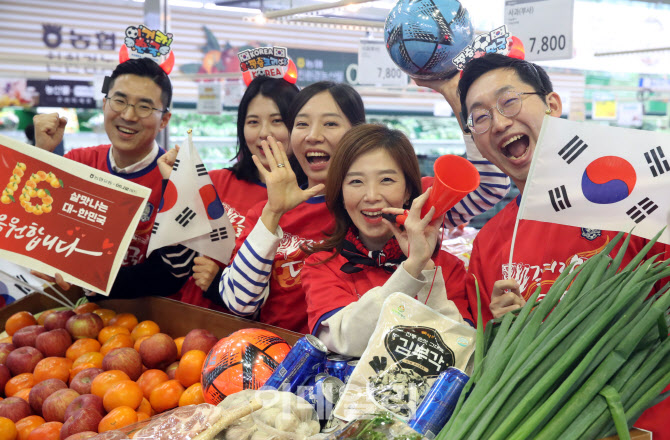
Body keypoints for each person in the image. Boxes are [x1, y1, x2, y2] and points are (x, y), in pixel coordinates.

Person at [454, 53, 668, 438]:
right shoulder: (489, 243)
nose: (499, 122)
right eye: (480, 117)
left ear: (552, 105)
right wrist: (503, 328)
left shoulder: (630, 198)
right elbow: (489, 366)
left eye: (509, 101)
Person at [217, 80, 508, 334]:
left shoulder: (399, 201)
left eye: (330, 123)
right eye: (301, 124)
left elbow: (488, 185)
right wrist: (273, 212)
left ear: (356, 134)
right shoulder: (272, 214)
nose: (312, 135)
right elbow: (238, 303)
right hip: (288, 361)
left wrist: (457, 98)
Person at [302, 124, 470, 357]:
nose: (371, 196)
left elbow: (458, 349)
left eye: (387, 180)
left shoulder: (449, 269)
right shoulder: (321, 266)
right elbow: (347, 340)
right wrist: (411, 269)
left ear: (409, 190)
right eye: (356, 182)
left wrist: (425, 266)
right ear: (340, 193)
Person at [152, 76, 303, 309]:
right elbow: (177, 265)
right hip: (192, 324)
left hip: (254, 337)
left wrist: (218, 284)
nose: (264, 133)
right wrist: (173, 185)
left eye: (277, 120)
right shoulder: (215, 182)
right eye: (253, 122)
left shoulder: (306, 200)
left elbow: (286, 299)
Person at [32, 57, 171, 278]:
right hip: (77, 305)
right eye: (119, 101)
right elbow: (34, 222)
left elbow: (170, 272)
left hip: (151, 310)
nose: (128, 115)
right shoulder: (78, 162)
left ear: (164, 120)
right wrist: (41, 155)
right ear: (105, 104)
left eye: (144, 106)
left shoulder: (172, 178)